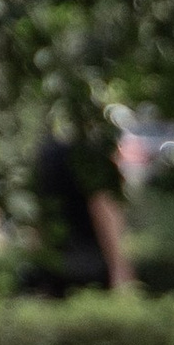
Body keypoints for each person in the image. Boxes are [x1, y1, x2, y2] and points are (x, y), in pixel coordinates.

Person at [24, 122, 133, 297]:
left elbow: (40, 217)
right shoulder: (92, 158)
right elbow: (103, 210)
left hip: (55, 263)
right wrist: (120, 268)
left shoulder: (46, 156)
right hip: (89, 264)